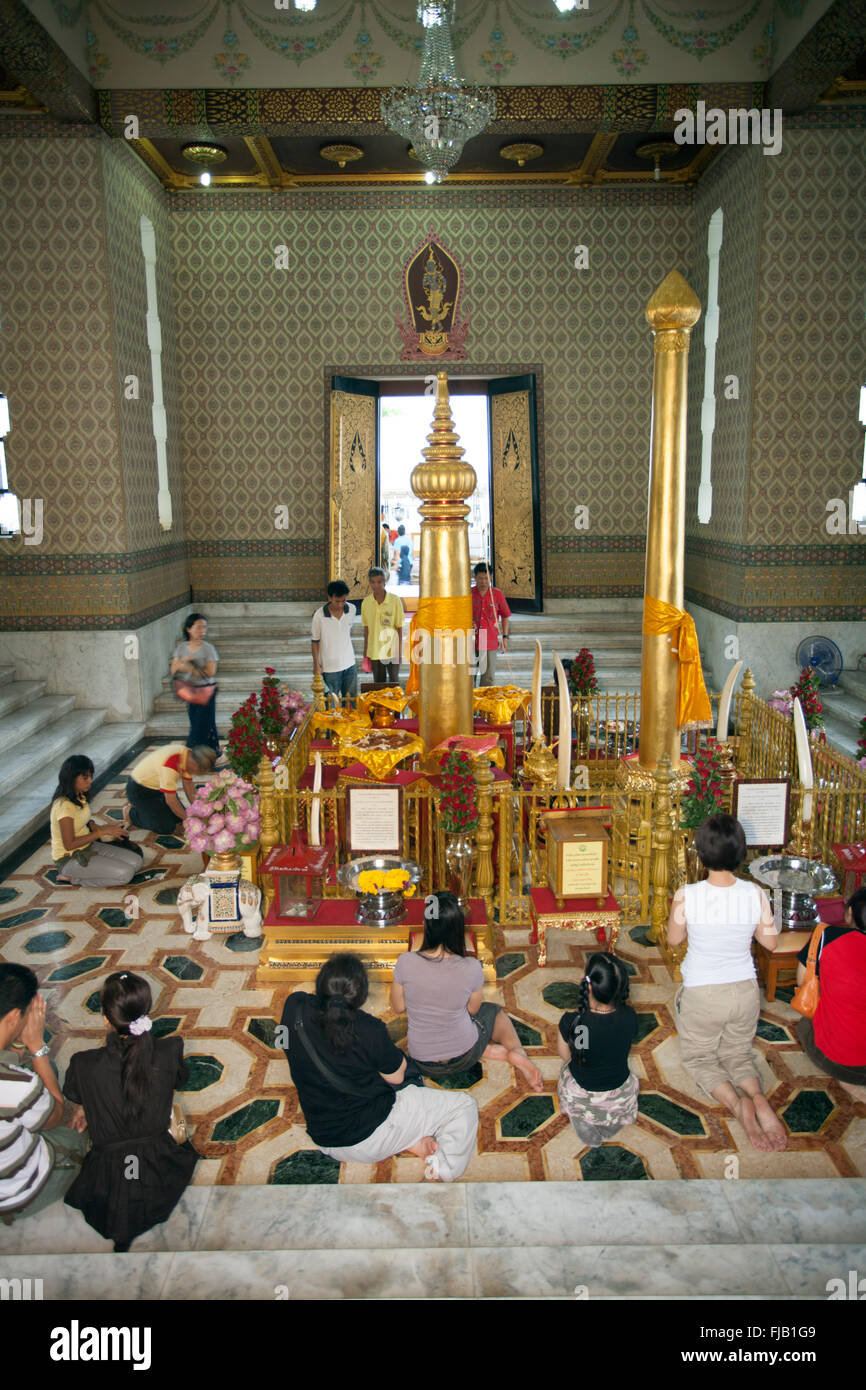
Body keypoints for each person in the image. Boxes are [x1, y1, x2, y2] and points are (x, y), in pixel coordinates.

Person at [281, 953, 479, 1182]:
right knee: (462, 1105)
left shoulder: (294, 1006)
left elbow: (284, 1042)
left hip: (324, 1138)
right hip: (370, 1137)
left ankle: (412, 1142)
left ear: (320, 982)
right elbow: (396, 1078)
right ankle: (443, 1170)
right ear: (361, 995)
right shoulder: (369, 1030)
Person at [667, 813, 788, 1152]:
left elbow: (674, 939)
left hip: (703, 995)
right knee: (737, 1053)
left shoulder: (687, 894)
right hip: (745, 992)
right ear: (740, 853)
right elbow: (771, 943)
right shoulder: (755, 893)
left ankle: (738, 1106)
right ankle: (758, 1097)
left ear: (701, 853)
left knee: (700, 1058)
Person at [63, 972, 197, 1252]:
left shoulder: (83, 1064)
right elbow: (179, 1079)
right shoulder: (169, 1050)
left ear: (105, 1019)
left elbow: (76, 1094)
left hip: (106, 1173)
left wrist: (88, 1105)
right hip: (160, 1161)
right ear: (146, 1012)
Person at [390, 891, 544, 1092]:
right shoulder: (471, 967)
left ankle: (492, 1051)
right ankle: (516, 1052)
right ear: (458, 929)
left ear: (425, 925)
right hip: (465, 1055)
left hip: (422, 1061)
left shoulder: (406, 962)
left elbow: (398, 1007)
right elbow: (473, 1010)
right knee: (493, 1011)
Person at [0, 964, 87, 1223]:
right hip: (16, 1193)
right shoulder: (17, 1086)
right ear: (13, 1016)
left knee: (42, 1073)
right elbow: (57, 1115)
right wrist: (37, 1047)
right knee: (79, 1122)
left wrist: (17, 1043)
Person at [555, 953, 639, 1148]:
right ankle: (611, 1123)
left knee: (567, 1073)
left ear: (589, 986)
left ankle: (583, 1122)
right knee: (618, 1106)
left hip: (582, 1094)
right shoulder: (630, 1016)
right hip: (621, 1093)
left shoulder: (576, 1023)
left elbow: (566, 1056)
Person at [794, 887, 866, 1090]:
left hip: (843, 1065)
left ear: (850, 912)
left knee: (805, 1024)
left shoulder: (828, 936)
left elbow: (802, 981)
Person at [50, 754, 143, 886]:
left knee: (136, 862)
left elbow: (82, 820)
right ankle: (73, 878)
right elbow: (69, 844)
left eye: (90, 776)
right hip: (69, 858)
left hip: (88, 846)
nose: (90, 781)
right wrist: (101, 832)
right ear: (71, 778)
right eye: (85, 777)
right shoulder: (63, 806)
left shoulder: (79, 796)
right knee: (126, 874)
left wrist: (100, 827)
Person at [123, 743, 217, 835]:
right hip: (140, 791)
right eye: (198, 772)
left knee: (179, 818)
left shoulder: (188, 755)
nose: (195, 774)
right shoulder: (171, 765)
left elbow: (188, 786)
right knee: (165, 827)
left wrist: (199, 809)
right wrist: (189, 821)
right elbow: (171, 801)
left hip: (160, 788)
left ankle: (148, 809)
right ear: (195, 765)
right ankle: (131, 814)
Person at [170, 612, 220, 755]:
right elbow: (173, 670)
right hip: (190, 691)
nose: (202, 631)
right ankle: (208, 751)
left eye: (204, 627)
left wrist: (190, 668)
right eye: (198, 627)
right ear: (188, 629)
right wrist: (183, 661)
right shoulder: (181, 648)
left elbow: (210, 672)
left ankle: (196, 751)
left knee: (203, 724)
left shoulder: (208, 648)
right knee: (196, 722)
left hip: (205, 692)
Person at [311, 580, 358, 700]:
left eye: (344, 600)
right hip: (329, 667)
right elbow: (315, 641)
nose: (341, 604)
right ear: (329, 598)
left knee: (351, 702)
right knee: (330, 703)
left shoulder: (352, 609)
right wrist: (316, 665)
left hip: (349, 664)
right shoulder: (319, 615)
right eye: (337, 601)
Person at [361, 566, 404, 685]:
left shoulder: (395, 601)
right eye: (373, 582)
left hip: (392, 650)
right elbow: (366, 629)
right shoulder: (366, 603)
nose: (376, 585)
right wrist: (366, 652)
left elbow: (399, 628)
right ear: (369, 582)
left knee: (394, 682)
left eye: (379, 582)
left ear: (385, 581)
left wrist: (399, 652)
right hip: (375, 650)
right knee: (379, 684)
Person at [471, 562, 510, 687]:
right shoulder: (468, 594)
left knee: (488, 678)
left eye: (486, 578)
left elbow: (505, 616)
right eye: (480, 578)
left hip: (489, 639)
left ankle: (485, 701)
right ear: (475, 577)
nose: (483, 582)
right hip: (470, 639)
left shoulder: (497, 594)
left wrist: (505, 637)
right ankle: (469, 700)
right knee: (468, 678)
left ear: (491, 577)